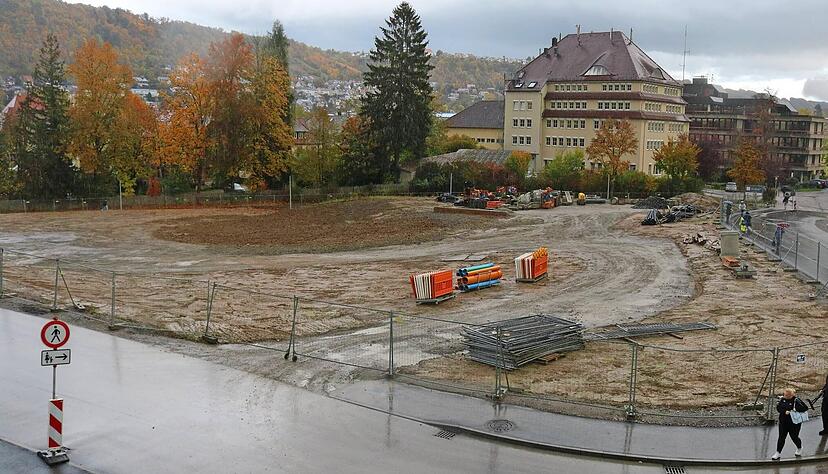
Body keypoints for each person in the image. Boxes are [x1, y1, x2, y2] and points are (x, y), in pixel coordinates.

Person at [772, 387, 809, 460]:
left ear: (791, 395)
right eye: (784, 395)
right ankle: (778, 453)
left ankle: (799, 447)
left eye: (787, 395)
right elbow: (778, 408)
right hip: (783, 422)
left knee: (794, 437)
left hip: (794, 423)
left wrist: (793, 410)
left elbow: (805, 408)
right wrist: (784, 411)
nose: (785, 396)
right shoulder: (782, 399)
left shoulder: (796, 400)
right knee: (781, 438)